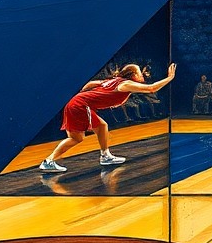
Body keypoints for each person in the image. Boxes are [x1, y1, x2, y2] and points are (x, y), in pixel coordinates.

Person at [39, 63, 176, 173]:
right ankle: (50, 161)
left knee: (91, 131)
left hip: (76, 103)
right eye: (140, 72)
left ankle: (104, 156)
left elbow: (91, 84)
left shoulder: (114, 81)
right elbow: (151, 89)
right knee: (82, 135)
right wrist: (169, 78)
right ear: (133, 75)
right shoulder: (125, 84)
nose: (143, 74)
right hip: (81, 105)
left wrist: (81, 94)